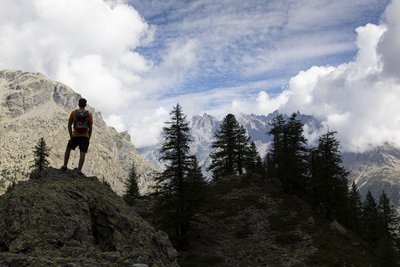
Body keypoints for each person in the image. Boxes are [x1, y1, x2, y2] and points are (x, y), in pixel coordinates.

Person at [61, 98, 93, 175]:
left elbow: (69, 125)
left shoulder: (73, 113)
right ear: (85, 105)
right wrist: (88, 137)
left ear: (79, 104)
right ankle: (79, 170)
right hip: (85, 137)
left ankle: (65, 166)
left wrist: (71, 136)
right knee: (82, 153)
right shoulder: (89, 115)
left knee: (68, 149)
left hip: (75, 136)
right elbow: (90, 128)